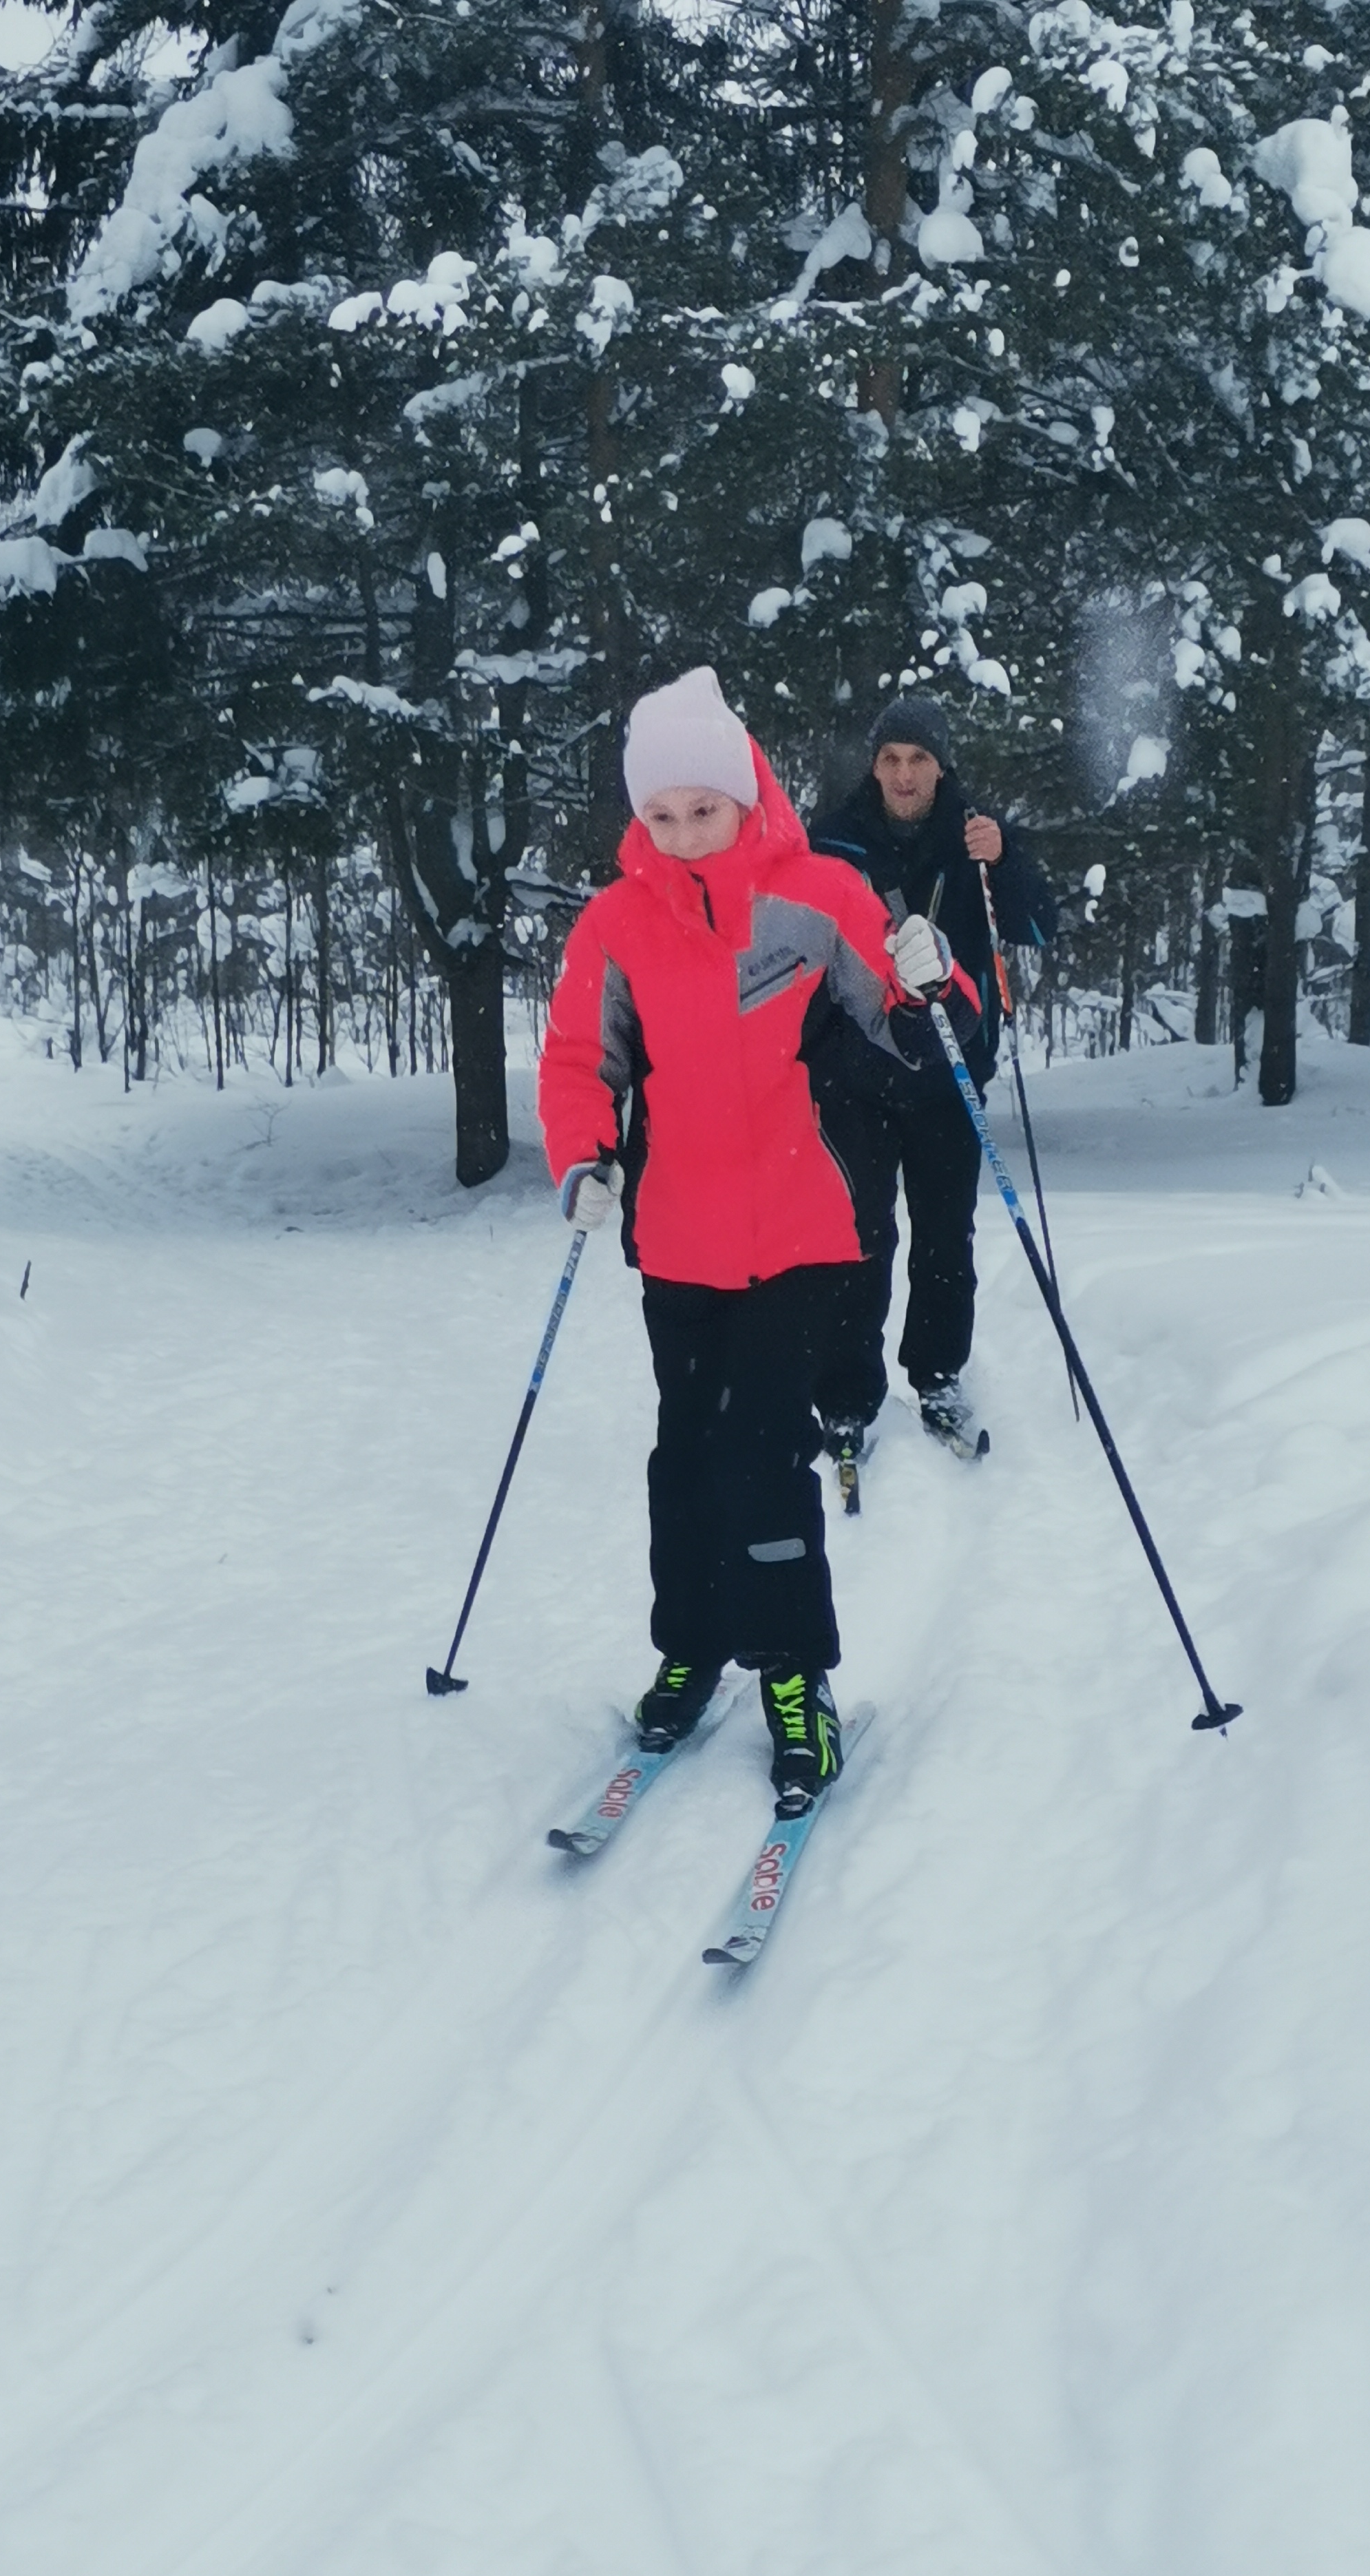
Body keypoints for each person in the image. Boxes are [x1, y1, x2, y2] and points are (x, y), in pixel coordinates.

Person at [537, 669, 980, 1814]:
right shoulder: (617, 923)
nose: (683, 833)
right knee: (683, 1456)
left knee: (766, 1458)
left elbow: (908, 1019)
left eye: (703, 807)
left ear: (745, 794)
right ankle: (691, 1645)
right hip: (679, 1238)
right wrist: (586, 1154)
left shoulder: (819, 894)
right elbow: (585, 1058)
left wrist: (938, 982)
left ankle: (793, 1674)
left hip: (797, 1232)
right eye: (659, 814)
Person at [807, 696, 1059, 1477]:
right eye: (891, 760)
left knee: (946, 1237)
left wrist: (1009, 855)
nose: (905, 774)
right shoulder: (834, 839)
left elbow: (1039, 927)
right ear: (873, 765)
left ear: (941, 765)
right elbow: (801, 945)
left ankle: (938, 1376)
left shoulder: (976, 837)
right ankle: (848, 1391)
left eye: (919, 760)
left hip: (953, 1070)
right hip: (857, 1074)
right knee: (859, 1238)